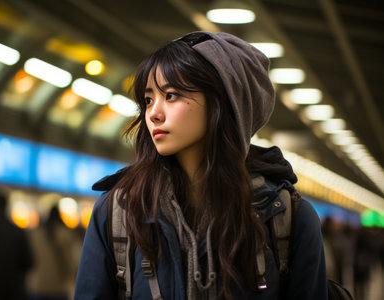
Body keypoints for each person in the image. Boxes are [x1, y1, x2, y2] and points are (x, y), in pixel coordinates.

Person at [74, 31, 327, 299]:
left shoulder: (286, 218)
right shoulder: (119, 212)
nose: (154, 114)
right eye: (149, 100)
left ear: (223, 102)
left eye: (171, 95)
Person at [27, 205, 78, 300]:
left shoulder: (36, 234)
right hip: (58, 287)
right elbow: (70, 262)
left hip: (37, 285)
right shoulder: (65, 234)